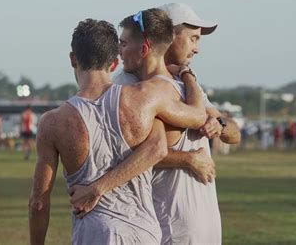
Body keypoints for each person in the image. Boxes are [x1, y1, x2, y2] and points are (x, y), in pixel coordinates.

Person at [70, 3, 241, 244]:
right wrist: (188, 158)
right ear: (169, 37)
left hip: (203, 222)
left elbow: (233, 132)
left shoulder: (185, 81)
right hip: (169, 224)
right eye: (193, 38)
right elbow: (132, 150)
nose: (197, 48)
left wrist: (220, 123)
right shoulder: (129, 86)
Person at [29, 17, 207, 244]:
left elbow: (39, 202)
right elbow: (197, 117)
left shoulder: (52, 122)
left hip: (94, 233)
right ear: (114, 63)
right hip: (144, 232)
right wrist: (186, 73)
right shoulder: (145, 98)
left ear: (73, 59)